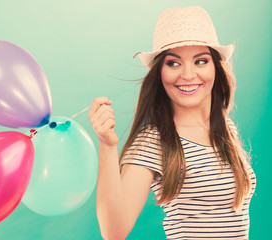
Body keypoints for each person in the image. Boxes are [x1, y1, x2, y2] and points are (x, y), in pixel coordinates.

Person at [88, 6, 256, 240]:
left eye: (200, 61)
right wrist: (106, 145)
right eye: (174, 63)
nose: (188, 75)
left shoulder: (226, 129)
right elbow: (113, 233)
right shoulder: (153, 141)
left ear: (216, 67)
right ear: (160, 72)